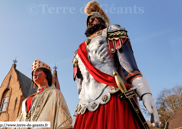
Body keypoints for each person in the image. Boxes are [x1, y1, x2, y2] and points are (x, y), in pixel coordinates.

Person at [72, 1, 160, 129]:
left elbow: (128, 66)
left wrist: (145, 93)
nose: (91, 22)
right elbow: (80, 88)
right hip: (84, 108)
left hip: (112, 96)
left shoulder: (112, 32)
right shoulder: (77, 52)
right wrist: (75, 115)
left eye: (94, 19)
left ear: (102, 21)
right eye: (89, 21)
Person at [16, 59, 72, 129]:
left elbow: (65, 123)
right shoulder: (25, 101)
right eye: (33, 71)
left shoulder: (55, 93)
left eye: (38, 70)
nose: (34, 73)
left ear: (46, 74)